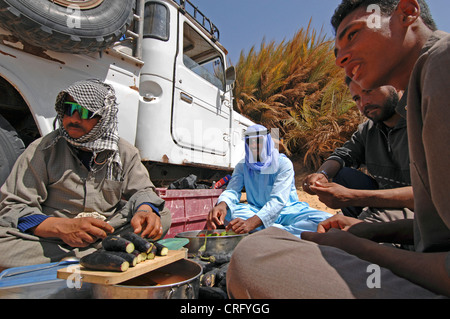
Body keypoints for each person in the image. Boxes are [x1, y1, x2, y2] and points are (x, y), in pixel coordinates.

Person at [227, 0, 450, 298]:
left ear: (407, 12)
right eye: (337, 51)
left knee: (256, 253)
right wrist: (368, 232)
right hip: (415, 245)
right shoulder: (414, 94)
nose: (340, 59)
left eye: (354, 34)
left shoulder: (442, 64)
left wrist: (365, 248)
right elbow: (433, 227)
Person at [0, 79, 171, 269]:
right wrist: (61, 227)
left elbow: (143, 191)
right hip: (52, 239)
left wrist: (145, 209)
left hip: (107, 231)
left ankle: (92, 254)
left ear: (104, 116)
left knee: (161, 215)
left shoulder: (124, 152)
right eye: (68, 109)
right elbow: (14, 206)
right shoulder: (43, 149)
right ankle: (104, 254)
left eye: (84, 112)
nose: (73, 118)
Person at [303, 78, 414, 222]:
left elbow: (432, 195)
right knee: (344, 175)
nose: (364, 103)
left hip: (425, 214)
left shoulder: (424, 120)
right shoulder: (369, 130)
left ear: (396, 85)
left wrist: (353, 196)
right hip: (382, 204)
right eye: (357, 98)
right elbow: (343, 155)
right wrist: (321, 174)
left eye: (369, 91)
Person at [207, 124, 332, 238]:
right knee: (230, 213)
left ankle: (268, 233)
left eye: (259, 141)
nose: (254, 146)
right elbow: (233, 190)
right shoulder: (242, 165)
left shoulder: (283, 164)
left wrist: (252, 222)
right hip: (256, 209)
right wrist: (222, 204)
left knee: (323, 219)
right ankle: (283, 234)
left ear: (267, 142)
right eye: (250, 142)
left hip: (287, 211)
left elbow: (278, 201)